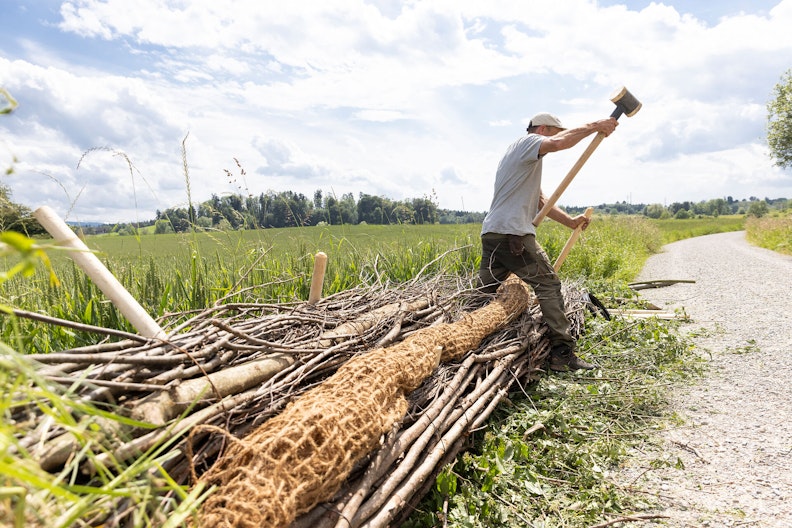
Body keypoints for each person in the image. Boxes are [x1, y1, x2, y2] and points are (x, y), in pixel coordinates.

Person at [478, 112, 618, 372]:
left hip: (493, 233)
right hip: (513, 235)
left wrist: (570, 222)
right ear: (543, 129)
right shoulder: (528, 142)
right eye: (555, 132)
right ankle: (562, 353)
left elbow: (542, 201)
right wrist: (595, 126)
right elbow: (559, 144)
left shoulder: (519, 158)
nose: (558, 137)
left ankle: (467, 339)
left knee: (482, 295)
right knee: (549, 285)